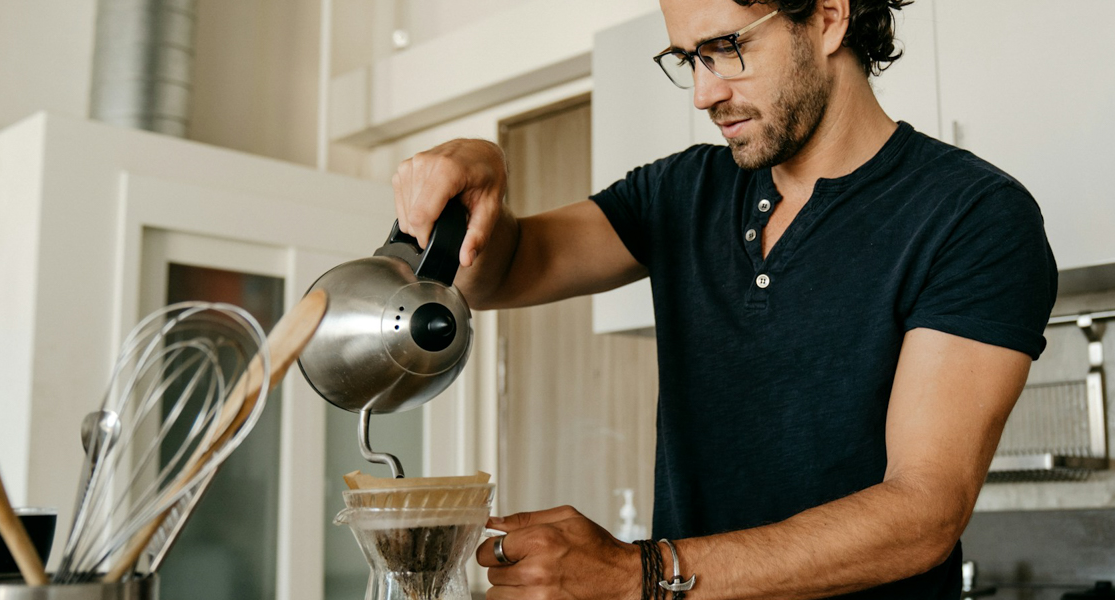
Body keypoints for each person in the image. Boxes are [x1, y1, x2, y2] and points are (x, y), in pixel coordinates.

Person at [390, 0, 1057, 597]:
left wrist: (639, 574)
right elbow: (499, 272)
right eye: (688, 59)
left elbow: (923, 513)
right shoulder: (682, 191)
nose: (704, 93)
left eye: (727, 48)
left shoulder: (972, 214)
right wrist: (480, 175)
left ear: (828, 17)